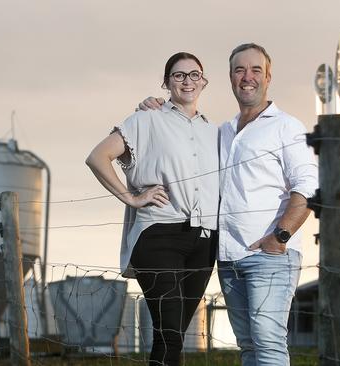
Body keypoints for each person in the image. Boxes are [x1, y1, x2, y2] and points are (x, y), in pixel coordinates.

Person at [137, 43, 318, 366]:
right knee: (247, 345)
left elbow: (307, 187)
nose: (247, 77)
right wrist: (156, 106)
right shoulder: (223, 130)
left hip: (269, 257)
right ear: (231, 77)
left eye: (255, 70)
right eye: (239, 70)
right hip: (229, 259)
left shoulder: (286, 126)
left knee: (269, 343)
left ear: (268, 76)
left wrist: (281, 237)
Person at [86, 52, 219, 366]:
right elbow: (97, 157)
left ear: (204, 81)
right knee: (171, 333)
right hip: (159, 235)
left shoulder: (214, 131)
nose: (187, 81)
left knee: (170, 336)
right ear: (166, 82)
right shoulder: (145, 119)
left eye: (194, 74)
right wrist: (131, 198)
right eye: (178, 75)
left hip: (204, 240)